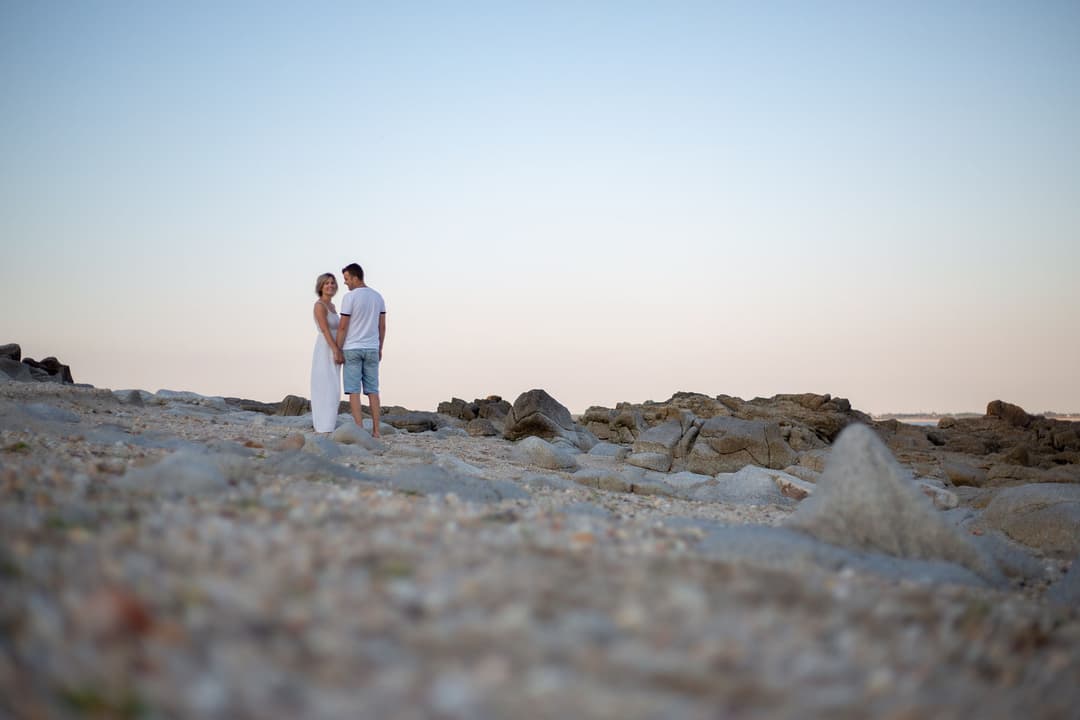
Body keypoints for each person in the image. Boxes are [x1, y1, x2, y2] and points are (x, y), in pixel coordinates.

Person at [336, 262, 387, 437]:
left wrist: (337, 348)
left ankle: (359, 429)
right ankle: (377, 431)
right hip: (372, 348)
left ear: (356, 277)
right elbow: (382, 327)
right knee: (373, 390)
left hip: (352, 348)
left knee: (354, 390)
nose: (345, 283)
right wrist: (380, 348)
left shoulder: (349, 298)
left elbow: (343, 327)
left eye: (347, 279)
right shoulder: (378, 297)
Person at [310, 272, 344, 433]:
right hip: (325, 348)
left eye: (332, 282)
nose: (330, 285)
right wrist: (336, 350)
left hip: (335, 346)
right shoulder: (319, 305)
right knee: (325, 385)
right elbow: (324, 329)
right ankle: (323, 425)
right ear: (321, 287)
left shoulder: (332, 306)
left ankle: (329, 422)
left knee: (335, 386)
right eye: (326, 283)